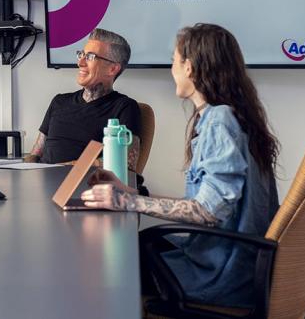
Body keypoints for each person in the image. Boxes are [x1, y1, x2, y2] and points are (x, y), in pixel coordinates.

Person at [82, 23, 280, 307]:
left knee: (104, 262)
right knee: (122, 250)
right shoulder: (230, 116)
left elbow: (208, 211)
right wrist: (129, 192)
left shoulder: (220, 120)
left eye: (174, 61)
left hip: (217, 275)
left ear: (189, 67)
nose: (171, 69)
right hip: (224, 261)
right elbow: (210, 206)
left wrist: (126, 201)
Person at [25, 28, 141, 170]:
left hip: (85, 187)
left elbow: (126, 162)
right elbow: (36, 153)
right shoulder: (59, 101)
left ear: (112, 69)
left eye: (90, 57)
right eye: (81, 54)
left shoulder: (125, 107)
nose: (80, 62)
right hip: (43, 183)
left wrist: (66, 168)